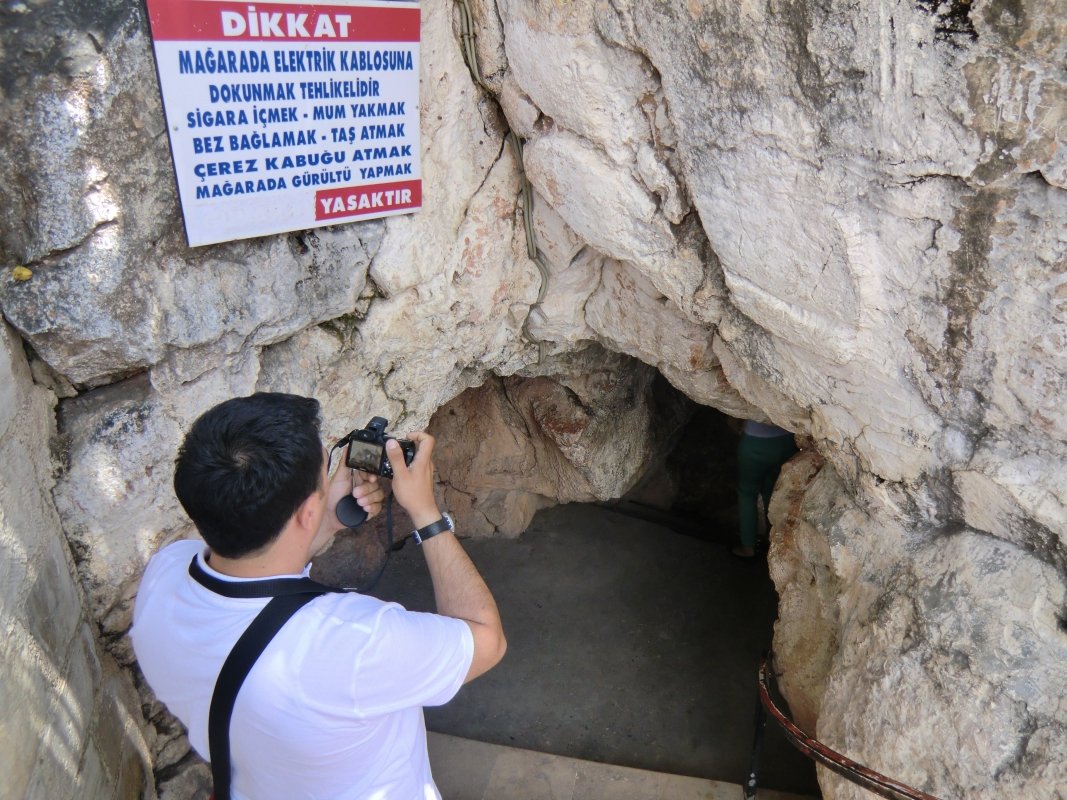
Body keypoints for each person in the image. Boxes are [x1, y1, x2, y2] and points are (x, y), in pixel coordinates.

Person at [131, 392, 506, 799]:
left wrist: (321, 522)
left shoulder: (162, 578)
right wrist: (426, 513)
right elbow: (486, 639)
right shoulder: (355, 643)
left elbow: (257, 580)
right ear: (305, 510)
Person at [732, 419, 798, 559]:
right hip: (787, 441)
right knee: (773, 491)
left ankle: (748, 548)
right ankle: (771, 541)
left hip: (755, 442)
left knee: (747, 493)